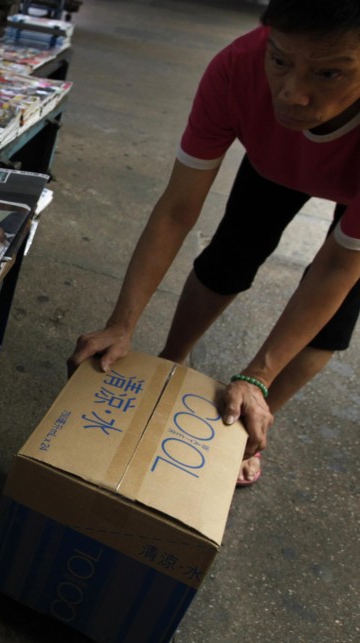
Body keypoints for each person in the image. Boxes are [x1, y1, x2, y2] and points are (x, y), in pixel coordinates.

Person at [68, 0, 360, 487]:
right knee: (231, 254)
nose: (292, 94)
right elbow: (178, 208)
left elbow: (336, 268)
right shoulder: (237, 68)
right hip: (274, 159)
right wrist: (122, 322)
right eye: (281, 60)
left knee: (335, 314)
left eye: (328, 74)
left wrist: (257, 374)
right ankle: (171, 362)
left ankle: (251, 420)